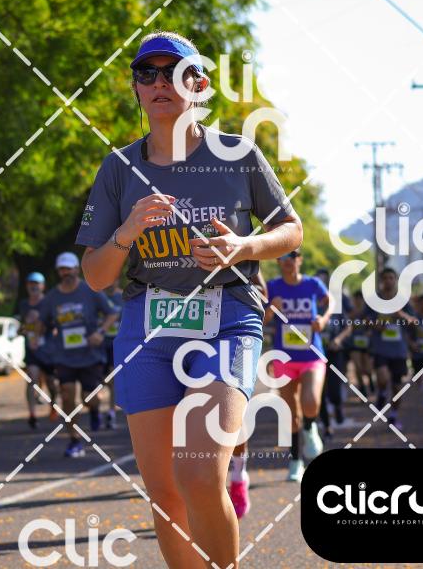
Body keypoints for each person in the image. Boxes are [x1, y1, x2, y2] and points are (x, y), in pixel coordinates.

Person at [76, 31, 302, 568]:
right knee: (166, 495)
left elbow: (291, 229)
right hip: (147, 327)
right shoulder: (118, 169)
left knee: (199, 474)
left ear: (198, 85)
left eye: (173, 73)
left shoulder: (237, 154)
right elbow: (95, 276)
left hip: (228, 319)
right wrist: (126, 232)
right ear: (136, 88)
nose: (159, 83)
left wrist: (244, 246)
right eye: (146, 73)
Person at [38, 252, 118, 457]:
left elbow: (112, 313)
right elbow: (42, 323)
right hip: (64, 356)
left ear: (76, 269)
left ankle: (94, 409)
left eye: (68, 268)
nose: (65, 272)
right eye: (62, 269)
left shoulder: (90, 291)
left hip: (90, 355)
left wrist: (100, 332)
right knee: (67, 394)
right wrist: (37, 334)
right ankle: (74, 439)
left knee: (88, 399)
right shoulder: (52, 298)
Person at [265, 250, 333, 482]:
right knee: (290, 413)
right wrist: (271, 309)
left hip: (312, 354)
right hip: (284, 357)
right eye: (282, 258)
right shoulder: (272, 286)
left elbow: (330, 301)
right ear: (278, 261)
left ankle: (310, 427)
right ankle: (295, 461)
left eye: (292, 257)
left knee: (310, 401)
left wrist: (323, 319)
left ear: (299, 259)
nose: (287, 261)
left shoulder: (312, 284)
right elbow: (261, 319)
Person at [228, 269, 268, 519]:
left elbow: (263, 293)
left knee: (233, 411)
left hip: (233, 329)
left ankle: (238, 473)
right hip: (184, 331)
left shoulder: (238, 248)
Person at [367, 267, 418, 429]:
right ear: (381, 281)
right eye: (385, 278)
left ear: (395, 280)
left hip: (399, 351)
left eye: (391, 278)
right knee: (382, 378)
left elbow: (414, 321)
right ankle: (382, 393)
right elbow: (365, 320)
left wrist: (401, 314)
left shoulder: (403, 301)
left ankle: (394, 416)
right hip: (381, 348)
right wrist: (376, 325)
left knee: (397, 387)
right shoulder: (374, 300)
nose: (388, 281)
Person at [17, 271, 58, 429]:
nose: (33, 286)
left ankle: (53, 405)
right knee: (31, 378)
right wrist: (22, 330)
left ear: (43, 286)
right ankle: (32, 415)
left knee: (51, 383)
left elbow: (55, 325)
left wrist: (45, 329)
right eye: (30, 283)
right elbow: (22, 325)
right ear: (27, 286)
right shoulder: (24, 304)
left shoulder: (48, 303)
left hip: (47, 349)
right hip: (31, 349)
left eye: (36, 283)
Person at [315, 268, 349, 437]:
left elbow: (348, 327)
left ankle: (337, 406)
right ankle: (327, 425)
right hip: (315, 354)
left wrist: (338, 340)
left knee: (334, 388)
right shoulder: (309, 304)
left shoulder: (335, 304)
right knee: (319, 390)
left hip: (334, 353)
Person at [102, 278, 124, 429]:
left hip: (116, 344)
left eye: (114, 280)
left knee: (113, 380)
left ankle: (111, 413)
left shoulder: (124, 296)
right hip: (99, 345)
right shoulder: (97, 296)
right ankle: (98, 409)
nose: (110, 282)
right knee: (102, 380)